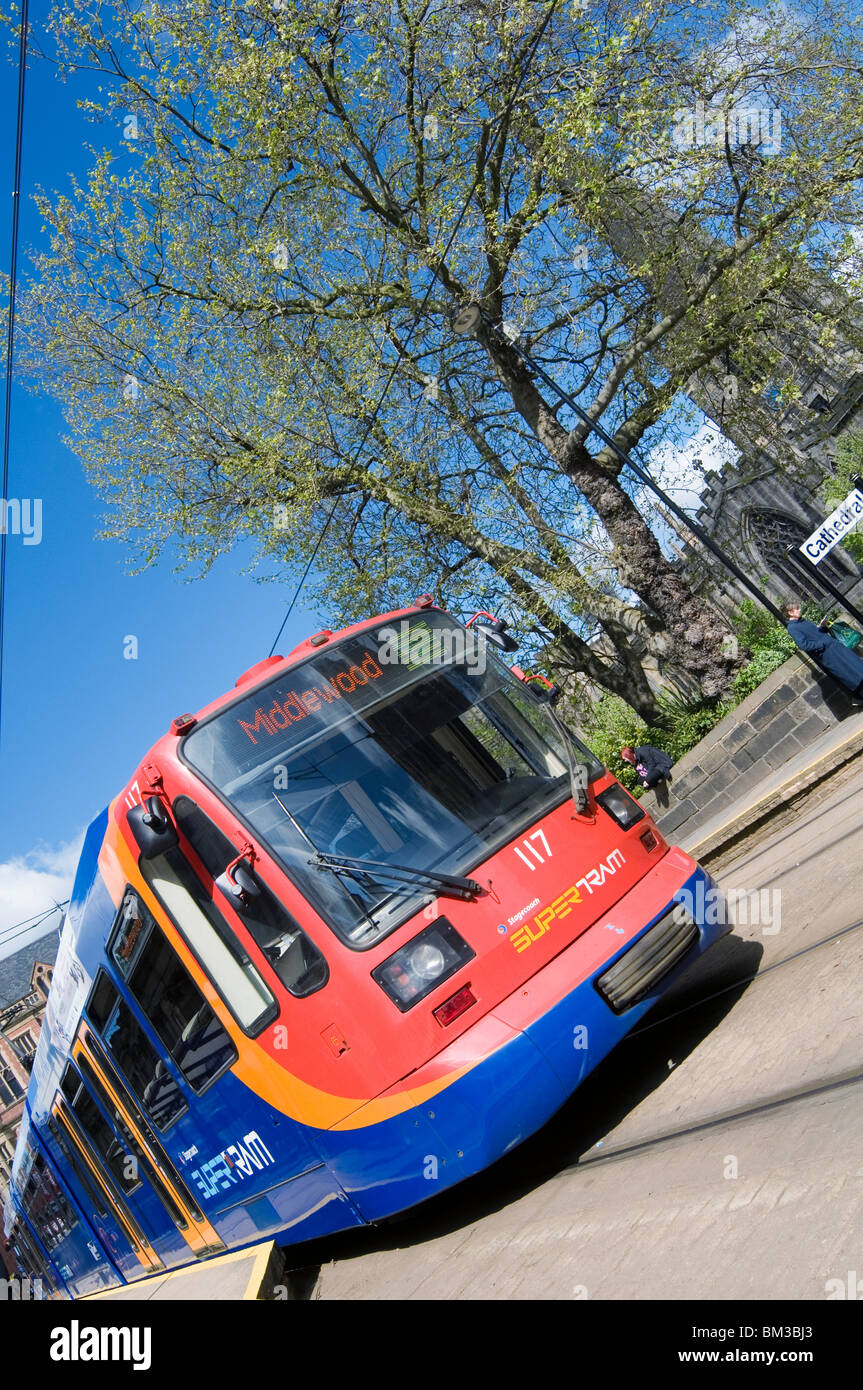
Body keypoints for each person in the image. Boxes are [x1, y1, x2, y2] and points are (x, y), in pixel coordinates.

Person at [780, 602, 863, 707]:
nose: (799, 610)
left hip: (835, 648)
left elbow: (816, 634)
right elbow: (803, 645)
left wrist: (823, 627)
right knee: (850, 674)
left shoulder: (803, 621)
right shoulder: (792, 628)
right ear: (790, 613)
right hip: (828, 654)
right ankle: (858, 697)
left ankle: (858, 698)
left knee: (857, 667)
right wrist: (821, 644)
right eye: (797, 609)